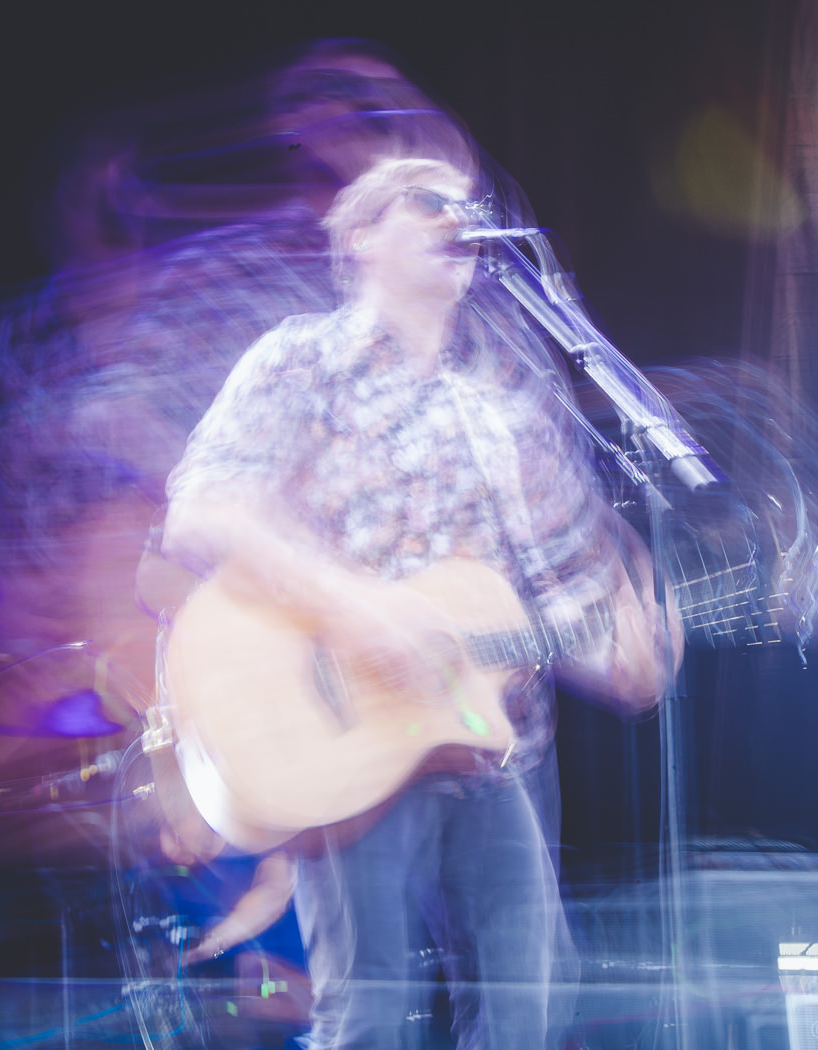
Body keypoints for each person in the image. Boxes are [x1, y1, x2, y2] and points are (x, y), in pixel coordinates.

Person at [150, 156, 680, 1049]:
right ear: (361, 236)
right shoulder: (303, 358)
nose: (456, 219)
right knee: (367, 1018)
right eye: (428, 202)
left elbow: (535, 602)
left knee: (527, 1014)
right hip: (345, 735)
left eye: (468, 207)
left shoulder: (500, 405)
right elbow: (200, 512)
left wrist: (616, 661)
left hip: (484, 745)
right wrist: (360, 614)